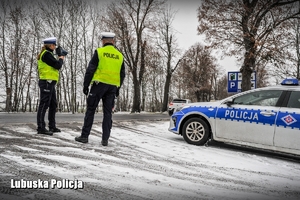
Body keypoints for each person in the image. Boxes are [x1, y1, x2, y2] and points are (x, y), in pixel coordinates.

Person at [75, 32, 125, 146]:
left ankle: (84, 136)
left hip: (98, 86)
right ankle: (105, 140)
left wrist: (86, 85)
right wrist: (118, 87)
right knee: (108, 114)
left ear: (103, 41)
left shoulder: (99, 52)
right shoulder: (120, 55)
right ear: (113, 41)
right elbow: (122, 74)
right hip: (112, 87)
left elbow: (91, 69)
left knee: (91, 110)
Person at [36, 37, 65, 135]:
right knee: (44, 105)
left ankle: (52, 126)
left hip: (50, 83)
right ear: (51, 45)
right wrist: (61, 58)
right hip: (46, 82)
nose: (55, 47)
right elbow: (57, 65)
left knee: (53, 104)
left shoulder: (49, 54)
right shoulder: (46, 54)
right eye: (54, 45)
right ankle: (41, 128)